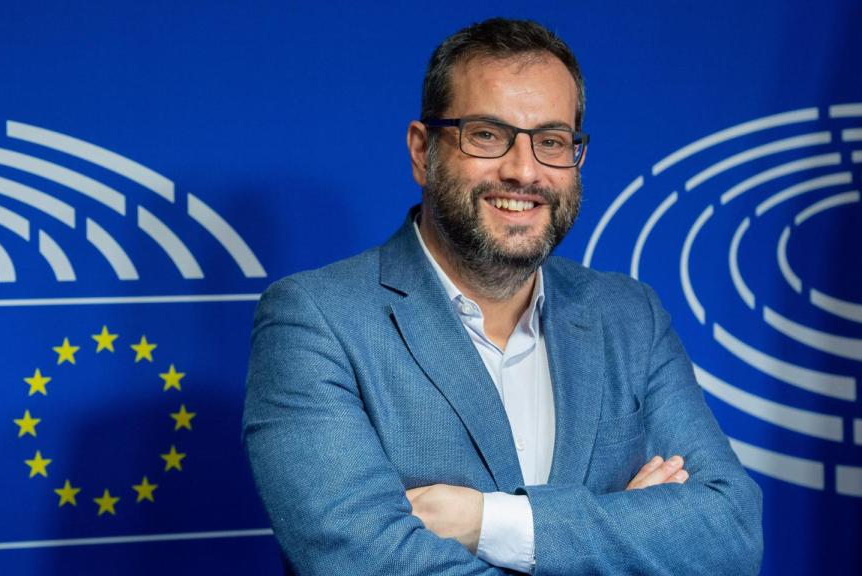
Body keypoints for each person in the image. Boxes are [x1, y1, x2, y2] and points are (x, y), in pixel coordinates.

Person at [243, 17, 763, 575]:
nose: (523, 170)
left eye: (552, 141)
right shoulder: (316, 320)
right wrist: (630, 535)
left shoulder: (629, 315)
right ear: (423, 152)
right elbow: (363, 562)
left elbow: (730, 534)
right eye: (487, 135)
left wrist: (489, 523)